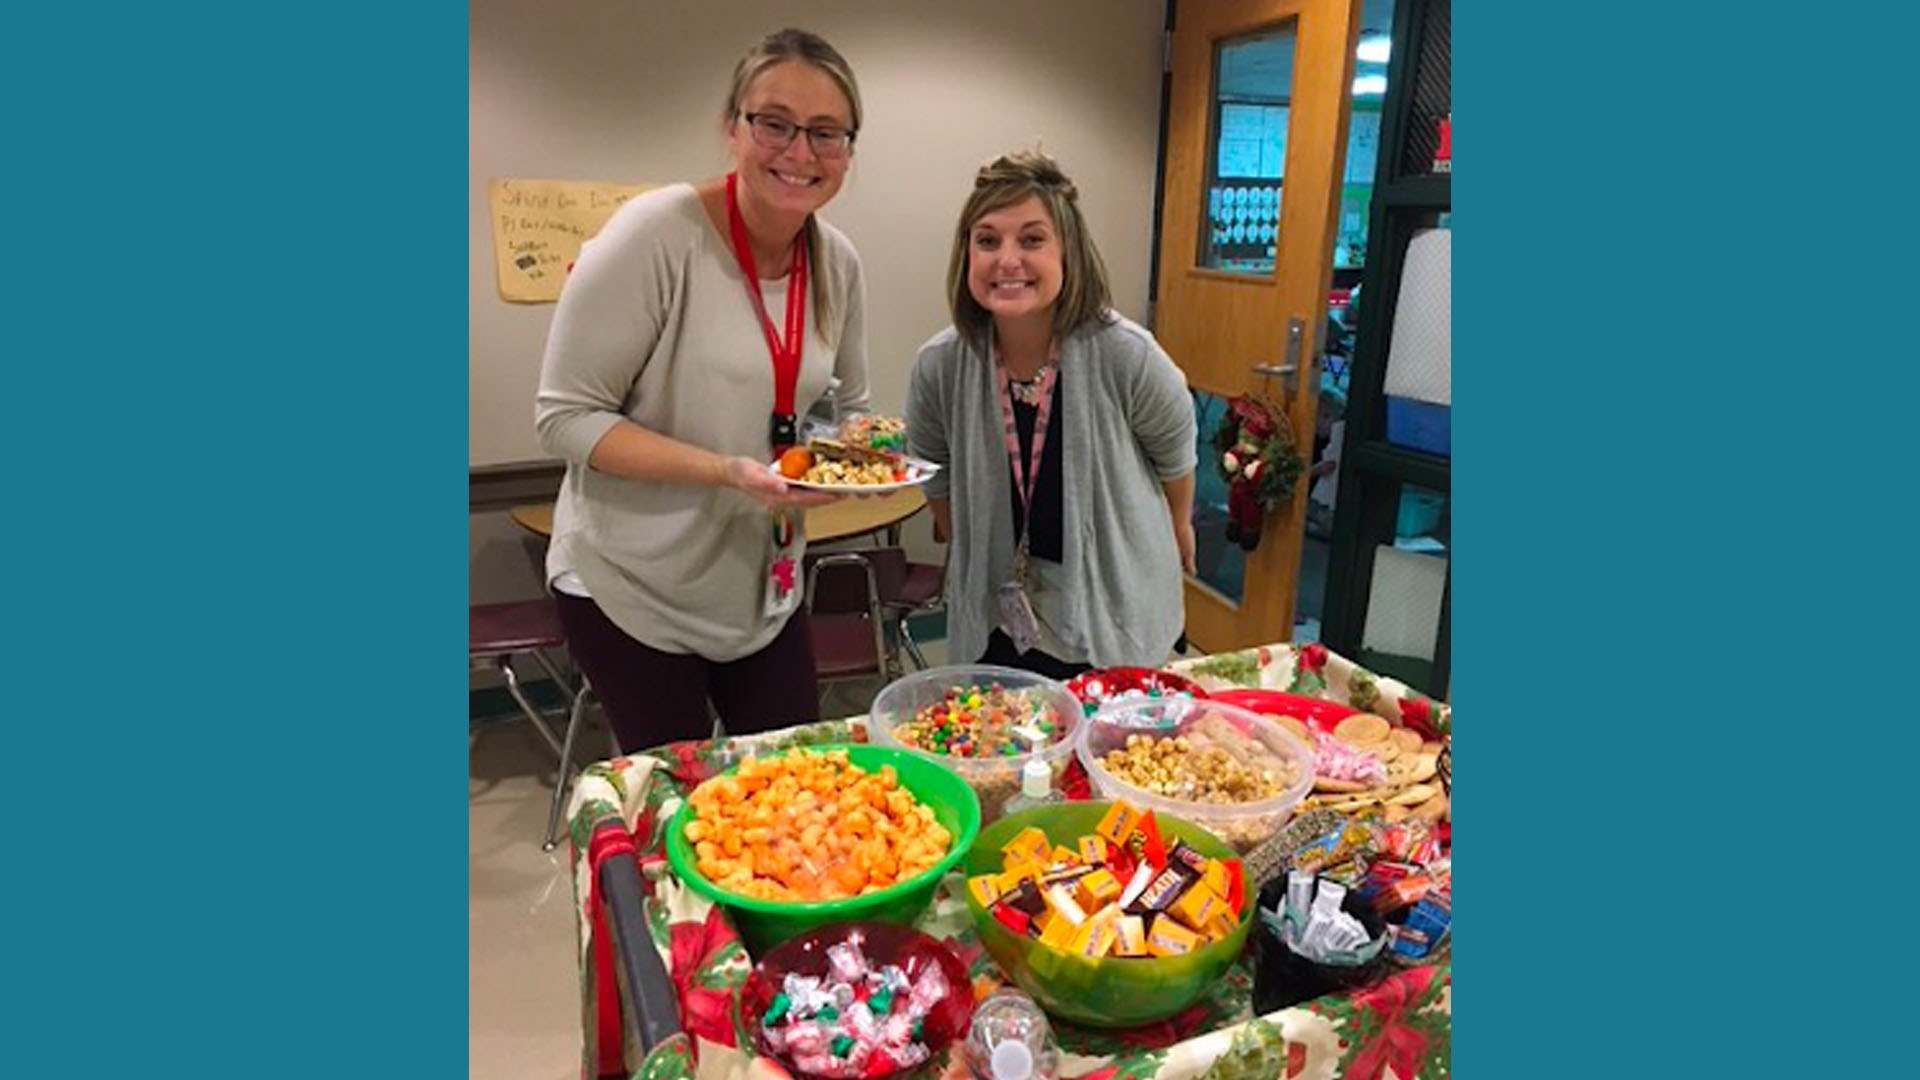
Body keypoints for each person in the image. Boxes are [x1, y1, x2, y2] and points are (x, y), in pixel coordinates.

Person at [534, 28, 869, 752]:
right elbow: (565, 419)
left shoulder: (836, 263)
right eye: (774, 123)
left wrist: (841, 465)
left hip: (764, 588)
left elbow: (848, 413)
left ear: (848, 150)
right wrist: (724, 471)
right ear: (732, 129)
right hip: (633, 587)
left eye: (825, 133)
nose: (799, 153)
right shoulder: (655, 237)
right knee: (682, 803)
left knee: (792, 790)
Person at [905, 150, 1197, 679]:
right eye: (987, 240)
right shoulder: (941, 364)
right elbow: (932, 466)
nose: (1007, 259)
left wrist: (1178, 526)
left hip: (1111, 612)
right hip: (997, 618)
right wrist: (971, 542)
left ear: (1069, 252)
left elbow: (1175, 452)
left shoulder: (1124, 353)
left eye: (1032, 240)